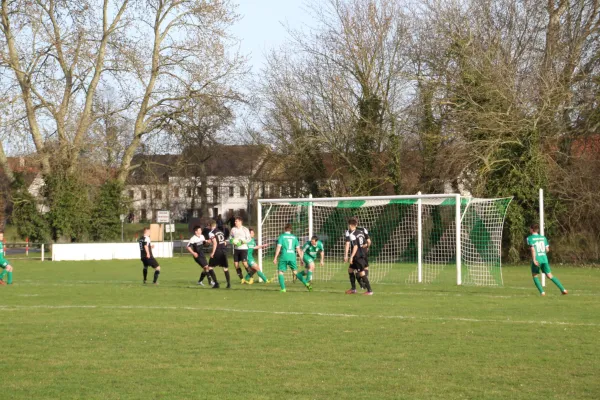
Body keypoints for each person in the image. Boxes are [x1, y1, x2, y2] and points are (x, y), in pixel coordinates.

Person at [527, 224, 567, 296]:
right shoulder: (543, 238)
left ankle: (542, 292)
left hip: (537, 259)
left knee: (535, 275)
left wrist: (534, 259)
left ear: (532, 229)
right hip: (544, 258)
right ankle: (563, 289)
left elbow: (533, 249)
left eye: (530, 228)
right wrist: (542, 253)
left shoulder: (529, 238)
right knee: (550, 275)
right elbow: (547, 249)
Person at [273, 223, 312, 293]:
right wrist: (301, 259)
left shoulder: (282, 236)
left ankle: (283, 289)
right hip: (292, 257)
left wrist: (275, 257)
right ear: (291, 230)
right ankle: (306, 283)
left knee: (280, 272)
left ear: (284, 229)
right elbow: (298, 249)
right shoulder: (294, 237)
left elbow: (278, 248)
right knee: (296, 272)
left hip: (284, 256)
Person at [345, 218, 373, 295]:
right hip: (362, 254)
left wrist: (350, 256)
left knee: (361, 273)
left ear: (350, 225)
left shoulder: (352, 234)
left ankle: (369, 290)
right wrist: (367, 246)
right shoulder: (361, 232)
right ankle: (353, 289)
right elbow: (367, 242)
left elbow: (355, 246)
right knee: (350, 270)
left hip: (357, 255)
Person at [208, 220, 231, 288]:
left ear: (210, 226)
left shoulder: (211, 233)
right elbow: (224, 242)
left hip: (217, 251)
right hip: (223, 251)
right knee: (225, 268)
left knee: (210, 267)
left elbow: (215, 243)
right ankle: (228, 284)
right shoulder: (220, 232)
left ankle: (216, 283)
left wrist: (213, 253)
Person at [230, 216, 252, 281]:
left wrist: (242, 242)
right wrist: (232, 241)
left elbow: (249, 239)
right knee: (236, 264)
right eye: (235, 221)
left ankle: (251, 277)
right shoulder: (233, 229)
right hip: (236, 249)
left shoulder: (245, 229)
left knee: (244, 263)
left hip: (243, 249)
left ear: (240, 222)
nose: (235, 222)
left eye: (236, 221)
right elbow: (230, 238)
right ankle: (242, 279)